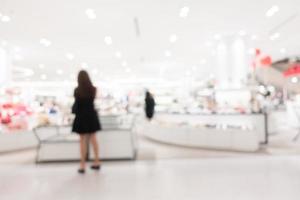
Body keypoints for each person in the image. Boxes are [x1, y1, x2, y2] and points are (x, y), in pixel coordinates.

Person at [72, 70, 101, 174]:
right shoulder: (93, 89)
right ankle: (97, 161)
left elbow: (77, 104)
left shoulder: (77, 90)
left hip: (81, 117)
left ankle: (82, 164)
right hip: (91, 116)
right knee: (93, 139)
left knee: (82, 141)